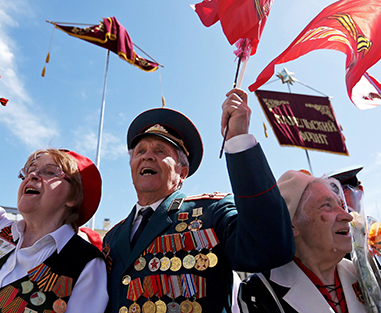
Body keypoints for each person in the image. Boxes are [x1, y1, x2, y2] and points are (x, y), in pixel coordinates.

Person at [103, 88, 295, 313]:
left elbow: (268, 247)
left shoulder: (211, 212)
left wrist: (238, 139)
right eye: (140, 151)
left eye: (160, 150)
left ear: (182, 173)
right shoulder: (113, 236)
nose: (147, 155)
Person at [0, 114, 108, 313]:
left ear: (74, 198)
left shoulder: (86, 262)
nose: (32, 175)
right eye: (29, 170)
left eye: (50, 172)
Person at [238, 170, 367, 313]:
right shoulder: (260, 291)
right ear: (292, 225)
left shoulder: (363, 273)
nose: (347, 216)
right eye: (327, 206)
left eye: (340, 205)